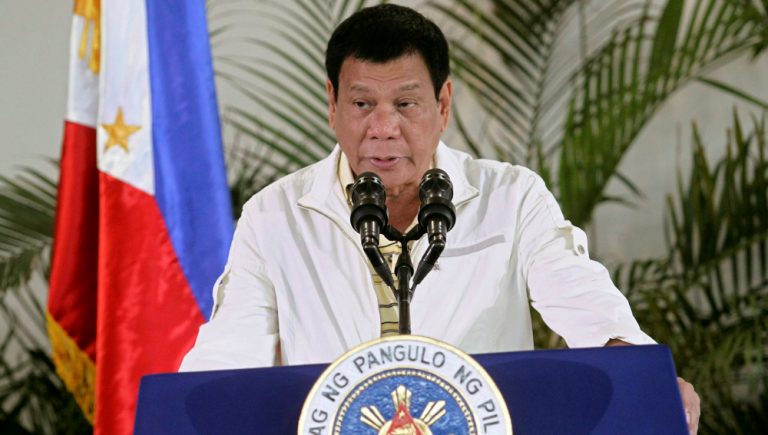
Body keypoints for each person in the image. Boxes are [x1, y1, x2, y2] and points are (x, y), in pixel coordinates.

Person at [180, 3, 699, 432]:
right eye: (362, 103)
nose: (383, 127)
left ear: (443, 104)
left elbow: (587, 307)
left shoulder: (512, 198)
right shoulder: (275, 215)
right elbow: (227, 357)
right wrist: (182, 411)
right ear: (332, 104)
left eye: (406, 104)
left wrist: (644, 377)